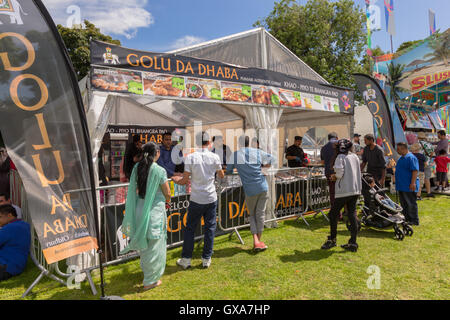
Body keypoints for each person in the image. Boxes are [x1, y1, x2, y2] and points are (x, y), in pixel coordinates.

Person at [120, 142, 171, 290]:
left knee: (145, 245)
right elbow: (167, 192)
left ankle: (148, 275)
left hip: (140, 209)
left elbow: (135, 188)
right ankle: (150, 281)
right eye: (159, 151)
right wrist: (168, 200)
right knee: (154, 246)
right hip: (154, 211)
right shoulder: (159, 171)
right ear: (156, 153)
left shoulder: (137, 168)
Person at [173, 132, 224, 269]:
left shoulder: (190, 157)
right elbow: (221, 174)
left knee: (190, 229)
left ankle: (186, 259)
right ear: (209, 143)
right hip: (210, 197)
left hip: (196, 198)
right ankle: (206, 258)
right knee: (210, 228)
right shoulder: (215, 157)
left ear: (197, 143)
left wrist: (176, 179)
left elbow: (184, 180)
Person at [226, 136, 275, 251]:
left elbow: (228, 170)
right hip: (262, 187)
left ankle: (256, 241)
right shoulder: (257, 152)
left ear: (239, 144)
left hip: (250, 189)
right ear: (249, 143)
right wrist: (264, 169)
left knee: (253, 215)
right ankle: (258, 241)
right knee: (260, 214)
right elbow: (272, 159)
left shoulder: (235, 155)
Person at [321, 139, 361, 252]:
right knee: (352, 214)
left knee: (333, 214)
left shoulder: (340, 157)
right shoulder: (354, 157)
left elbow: (339, 173)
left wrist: (334, 177)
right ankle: (353, 242)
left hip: (344, 190)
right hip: (355, 189)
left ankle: (332, 239)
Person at [0, 204, 30, 281]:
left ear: (10, 215)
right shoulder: (24, 224)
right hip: (16, 266)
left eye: (0, 217)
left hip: (5, 266)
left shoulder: (9, 228)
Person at [395, 142, 420, 226]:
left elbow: (415, 170)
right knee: (404, 204)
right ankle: (406, 218)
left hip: (408, 185)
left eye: (398, 149)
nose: (397, 150)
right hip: (402, 185)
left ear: (404, 148)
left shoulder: (411, 157)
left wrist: (413, 183)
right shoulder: (401, 158)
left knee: (411, 203)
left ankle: (414, 220)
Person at [320, 132, 339, 206]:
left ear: (328, 139)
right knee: (343, 192)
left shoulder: (324, 147)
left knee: (332, 193)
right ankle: (346, 211)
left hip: (329, 172)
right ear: (337, 138)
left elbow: (322, 162)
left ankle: (336, 212)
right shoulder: (339, 144)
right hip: (339, 171)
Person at [417, 131, 435, 198]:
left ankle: (418, 193)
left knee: (418, 178)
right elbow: (432, 154)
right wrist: (428, 158)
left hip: (419, 163)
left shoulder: (416, 144)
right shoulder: (429, 144)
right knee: (427, 178)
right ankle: (428, 192)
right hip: (427, 163)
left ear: (418, 137)